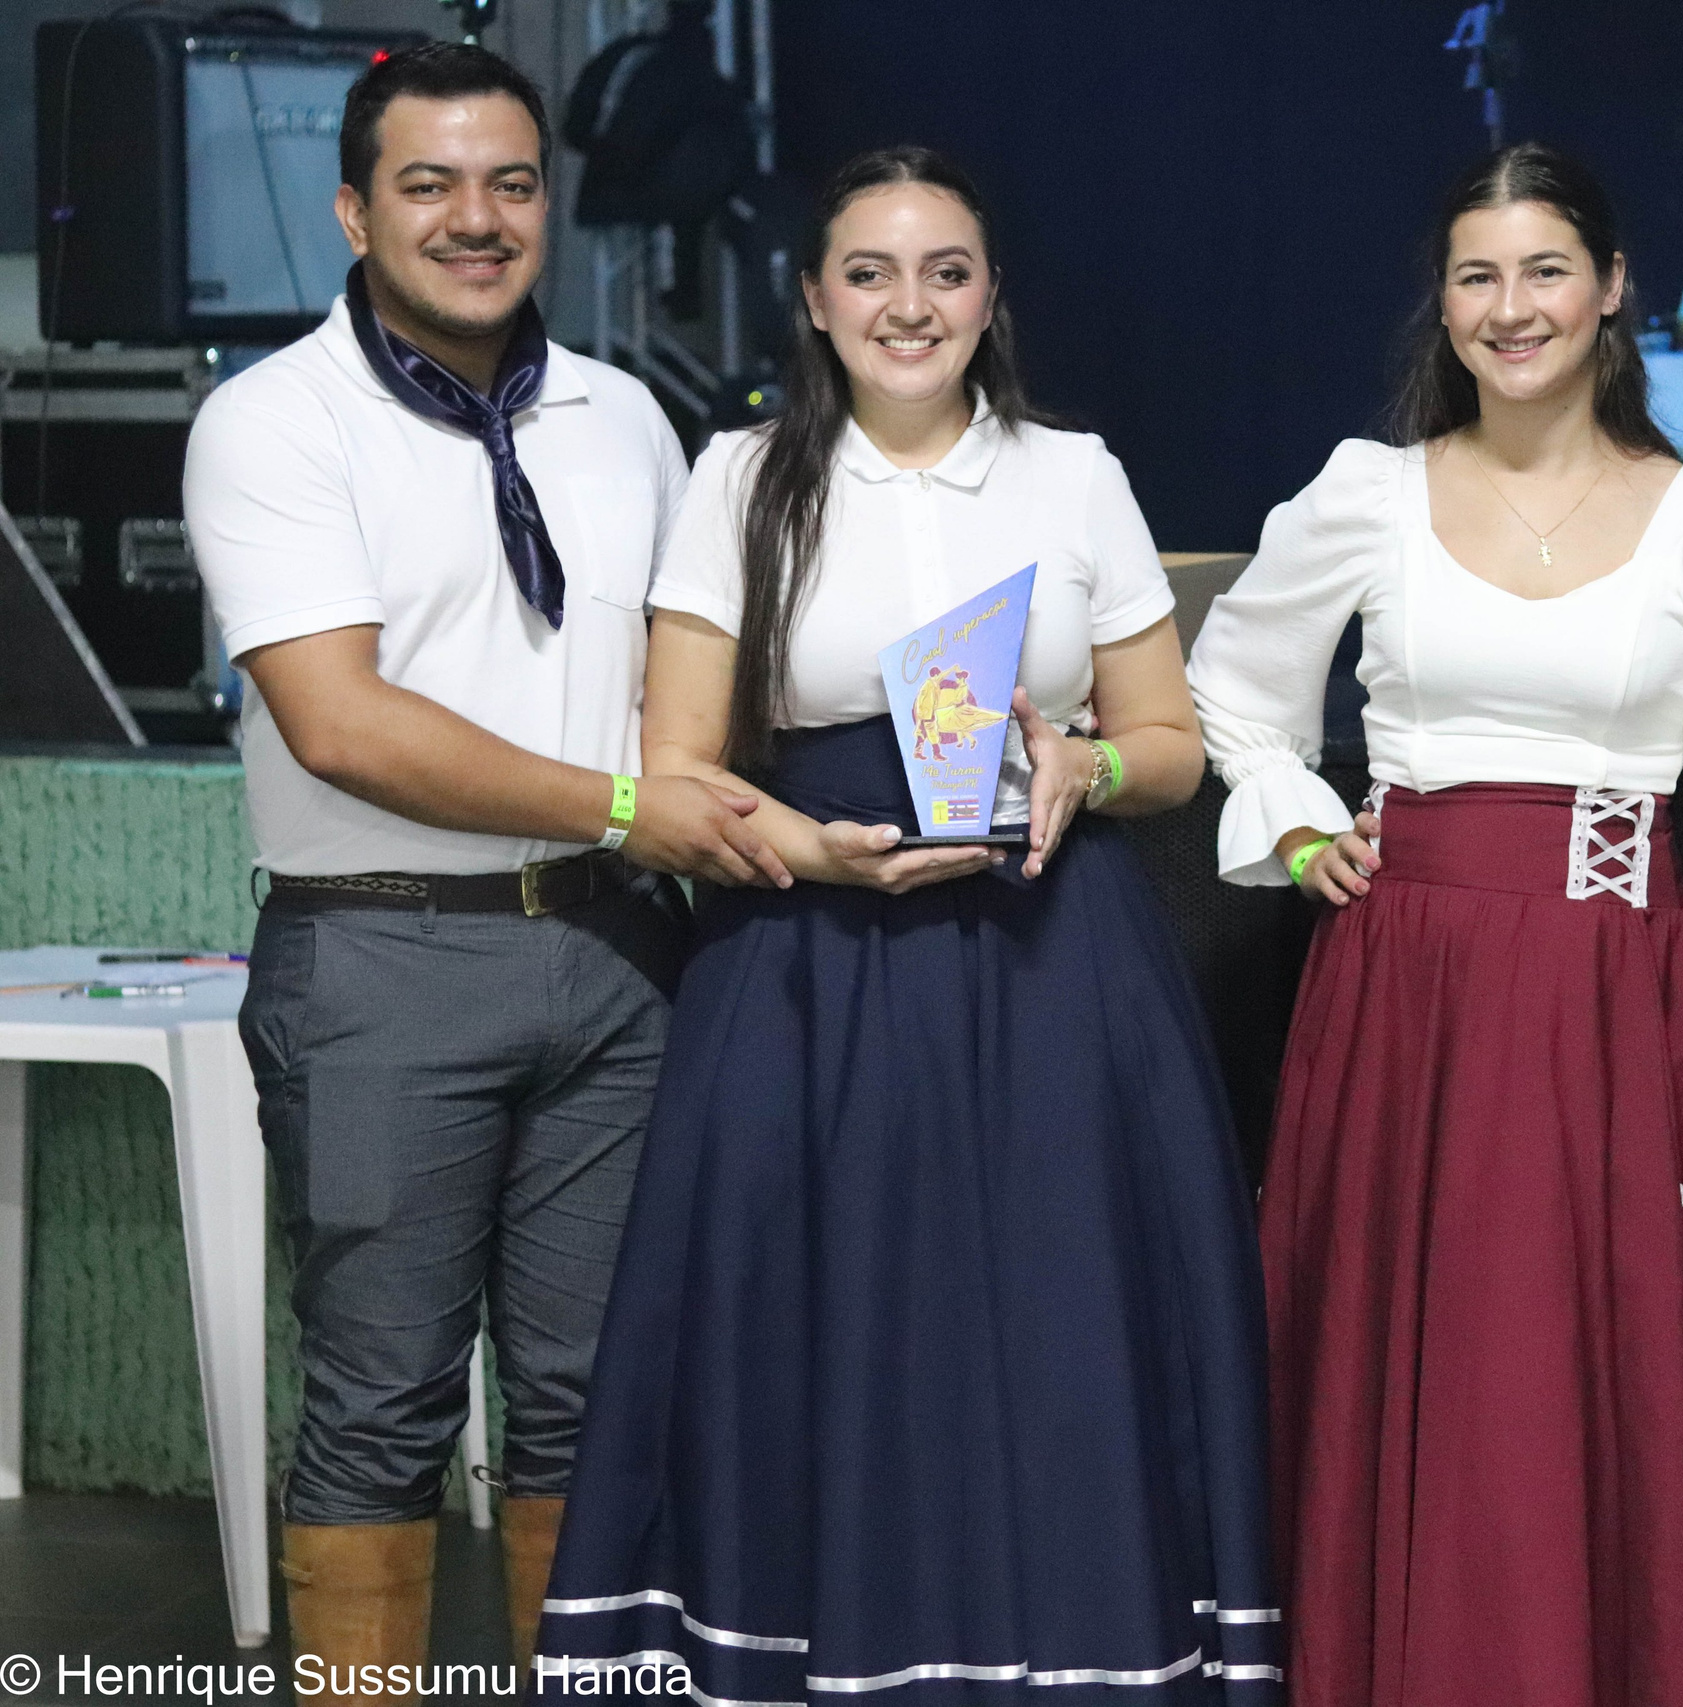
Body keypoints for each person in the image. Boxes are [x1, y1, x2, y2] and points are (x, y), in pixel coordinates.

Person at [535, 146, 1283, 1700]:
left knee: (1061, 1338)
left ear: (992, 293)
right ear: (813, 300)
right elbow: (676, 762)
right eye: (869, 271)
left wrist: (1085, 757)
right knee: (823, 1340)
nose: (908, 302)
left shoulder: (1074, 471)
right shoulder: (740, 478)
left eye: (945, 269)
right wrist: (800, 845)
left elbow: (1175, 747)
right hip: (809, 962)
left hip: (1052, 964)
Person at [1187, 142, 1683, 1707]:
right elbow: (1233, 683)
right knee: (1418, 1383)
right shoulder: (1373, 490)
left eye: (1546, 269)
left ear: (1612, 289)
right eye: (1479, 274)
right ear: (1445, 299)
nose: (1513, 307)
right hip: (1407, 992)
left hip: (1618, 993)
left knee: (1594, 1382)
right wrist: (1297, 823)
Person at [184, 41, 778, 1701]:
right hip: (384, 964)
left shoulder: (626, 419)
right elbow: (343, 723)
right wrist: (619, 803)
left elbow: (692, 693)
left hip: (613, 964)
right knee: (382, 1408)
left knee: (601, 1400)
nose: (475, 218)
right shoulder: (273, 423)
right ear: (354, 207)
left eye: (510, 182)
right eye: (430, 183)